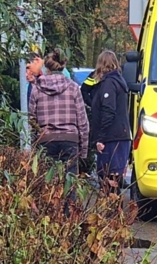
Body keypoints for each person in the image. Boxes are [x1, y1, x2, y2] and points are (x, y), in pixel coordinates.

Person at [28, 48, 89, 176]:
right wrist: (83, 151)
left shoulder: (37, 88)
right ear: (63, 66)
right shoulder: (73, 87)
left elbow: (31, 119)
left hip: (46, 140)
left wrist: (34, 144)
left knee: (48, 183)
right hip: (70, 140)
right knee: (69, 183)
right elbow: (82, 121)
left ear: (47, 68)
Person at [88, 50, 132, 194]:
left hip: (111, 138)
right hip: (121, 136)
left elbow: (108, 111)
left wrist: (100, 138)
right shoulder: (120, 82)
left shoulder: (108, 84)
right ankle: (114, 213)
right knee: (114, 179)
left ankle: (110, 213)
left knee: (107, 178)